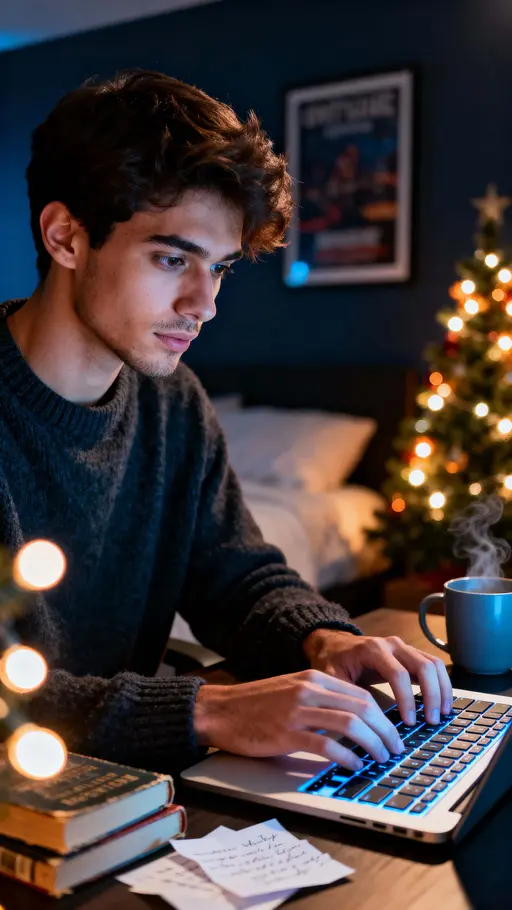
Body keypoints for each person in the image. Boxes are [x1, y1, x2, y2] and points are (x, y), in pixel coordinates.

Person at [0, 69, 452, 775]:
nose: (203, 304)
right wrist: (210, 710)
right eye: (172, 258)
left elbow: (234, 579)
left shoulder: (172, 402)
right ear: (65, 237)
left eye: (220, 268)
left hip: (127, 789)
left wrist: (324, 639)